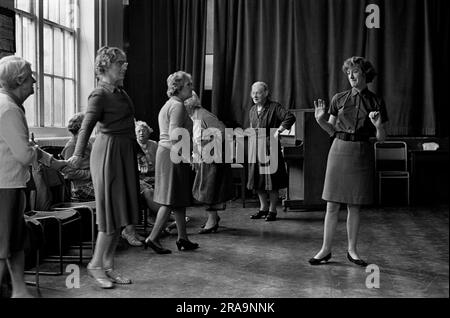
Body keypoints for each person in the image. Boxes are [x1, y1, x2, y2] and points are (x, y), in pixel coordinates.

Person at [68, 47, 140, 288]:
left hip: (124, 153)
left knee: (121, 214)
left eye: (125, 62)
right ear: (105, 66)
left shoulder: (121, 92)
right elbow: (86, 127)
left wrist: (139, 154)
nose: (125, 66)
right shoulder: (98, 94)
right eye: (120, 62)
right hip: (108, 154)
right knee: (110, 213)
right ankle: (96, 264)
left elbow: (129, 126)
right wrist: (77, 155)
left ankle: (108, 266)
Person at [309, 56, 387, 267]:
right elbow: (331, 130)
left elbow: (382, 138)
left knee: (354, 206)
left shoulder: (376, 101)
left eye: (356, 72)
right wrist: (320, 120)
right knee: (332, 205)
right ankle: (325, 250)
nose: (351, 76)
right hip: (339, 150)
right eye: (348, 73)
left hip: (361, 152)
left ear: (365, 74)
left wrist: (378, 126)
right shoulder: (338, 98)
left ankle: (352, 250)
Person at [0, 55, 67, 297]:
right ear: (19, 81)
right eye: (30, 78)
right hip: (5, 186)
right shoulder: (8, 109)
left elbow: (25, 148)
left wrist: (53, 161)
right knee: (4, 245)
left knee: (14, 242)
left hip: (11, 183)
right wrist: (40, 156)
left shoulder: (8, 104)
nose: (35, 81)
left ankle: (19, 290)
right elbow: (25, 155)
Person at [143, 71, 199, 254]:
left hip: (167, 153)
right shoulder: (177, 106)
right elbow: (176, 136)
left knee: (178, 198)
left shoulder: (171, 104)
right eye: (189, 85)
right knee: (170, 199)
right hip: (172, 154)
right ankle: (153, 238)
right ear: (179, 87)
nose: (192, 87)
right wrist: (187, 157)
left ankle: (182, 238)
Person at [184, 91, 233, 234]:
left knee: (208, 190)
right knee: (206, 190)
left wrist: (210, 148)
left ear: (188, 104)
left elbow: (223, 131)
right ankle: (213, 218)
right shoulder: (195, 116)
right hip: (206, 159)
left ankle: (212, 221)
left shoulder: (204, 115)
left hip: (212, 159)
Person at [247, 81, 295, 222]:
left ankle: (273, 210)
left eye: (258, 92)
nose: (255, 95)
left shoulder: (275, 107)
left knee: (272, 181)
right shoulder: (252, 110)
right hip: (256, 148)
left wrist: (278, 131)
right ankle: (263, 208)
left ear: (266, 93)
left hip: (270, 147)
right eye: (253, 92)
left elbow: (290, 117)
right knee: (258, 180)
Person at [120, 120, 159, 247]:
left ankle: (132, 230)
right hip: (134, 177)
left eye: (144, 131)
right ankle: (163, 220)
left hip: (139, 177)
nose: (141, 133)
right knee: (138, 191)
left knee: (136, 191)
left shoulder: (151, 144)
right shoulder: (124, 143)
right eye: (138, 131)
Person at [60, 112, 95, 202]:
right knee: (109, 192)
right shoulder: (71, 146)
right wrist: (90, 174)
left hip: (92, 183)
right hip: (80, 188)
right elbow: (69, 173)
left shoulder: (88, 143)